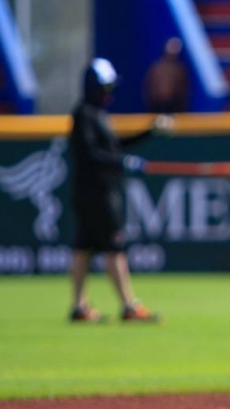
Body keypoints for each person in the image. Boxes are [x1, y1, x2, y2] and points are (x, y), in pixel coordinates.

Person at [67, 57, 173, 323]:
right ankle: (128, 305)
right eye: (105, 87)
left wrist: (149, 133)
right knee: (114, 248)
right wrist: (123, 162)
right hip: (97, 194)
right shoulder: (84, 116)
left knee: (84, 247)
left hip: (91, 193)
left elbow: (113, 146)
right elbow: (92, 154)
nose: (109, 93)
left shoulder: (96, 115)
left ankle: (80, 306)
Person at [142, 37, 189, 114]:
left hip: (174, 106)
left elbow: (183, 89)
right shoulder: (157, 67)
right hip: (156, 105)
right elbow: (148, 85)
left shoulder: (180, 70)